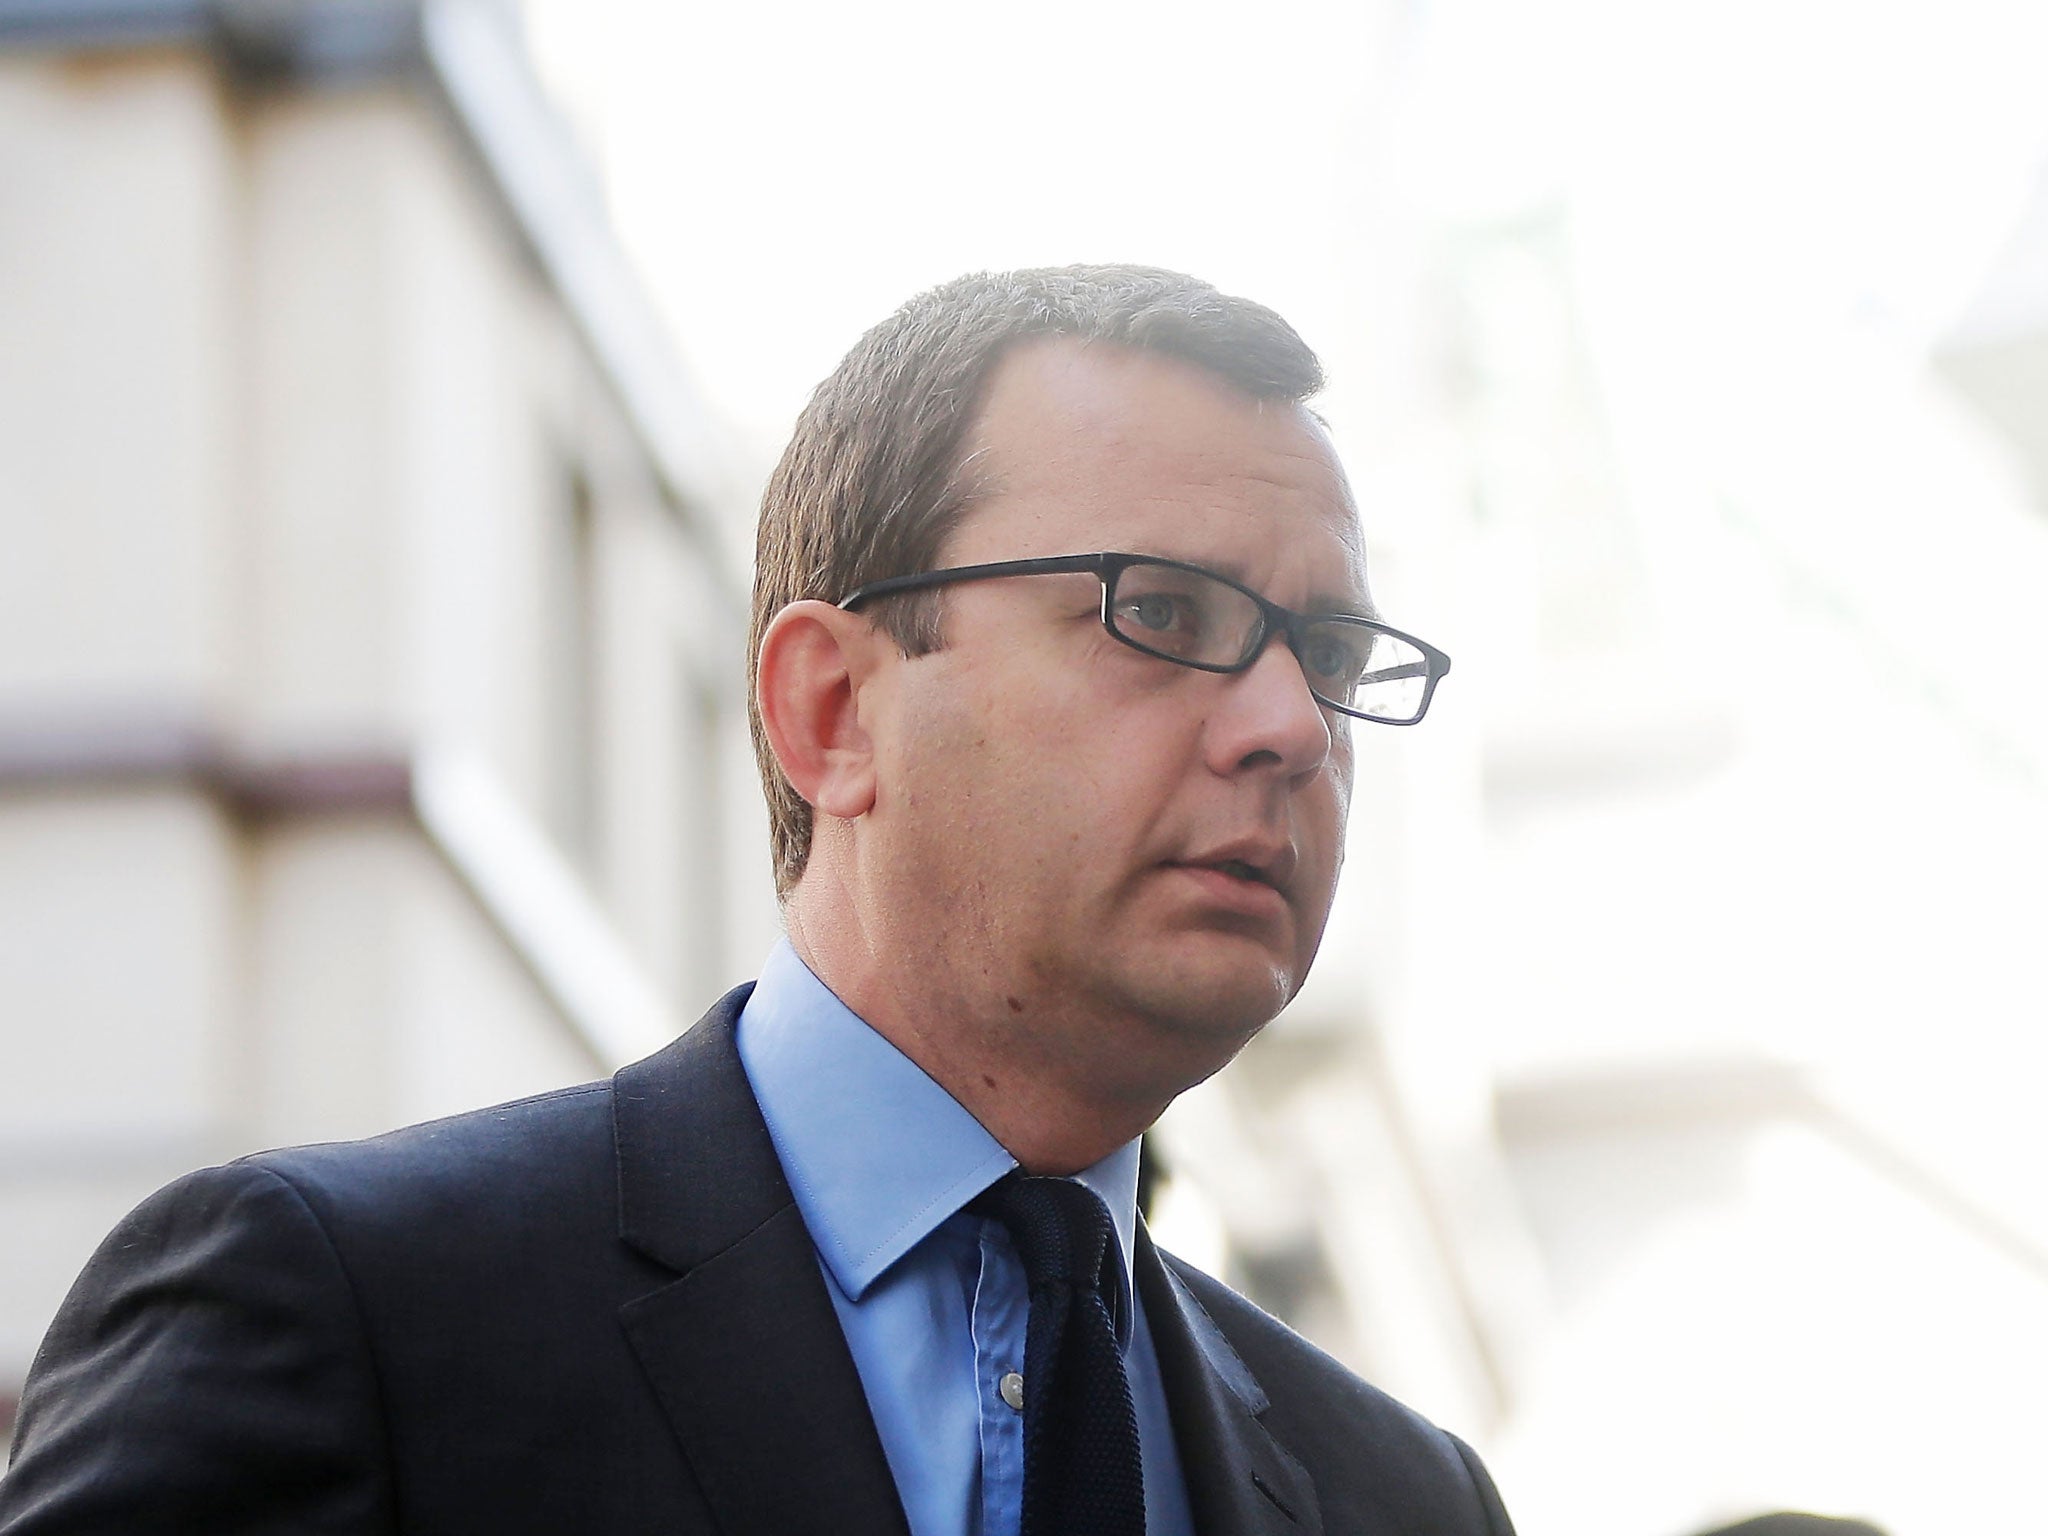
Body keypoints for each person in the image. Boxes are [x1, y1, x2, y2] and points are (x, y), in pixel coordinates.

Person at [0, 265, 1508, 1535]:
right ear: (831, 712)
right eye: (1164, 614)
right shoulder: (345, 1317)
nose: (1293, 727)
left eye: (1326, 653)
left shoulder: (1403, 1496)